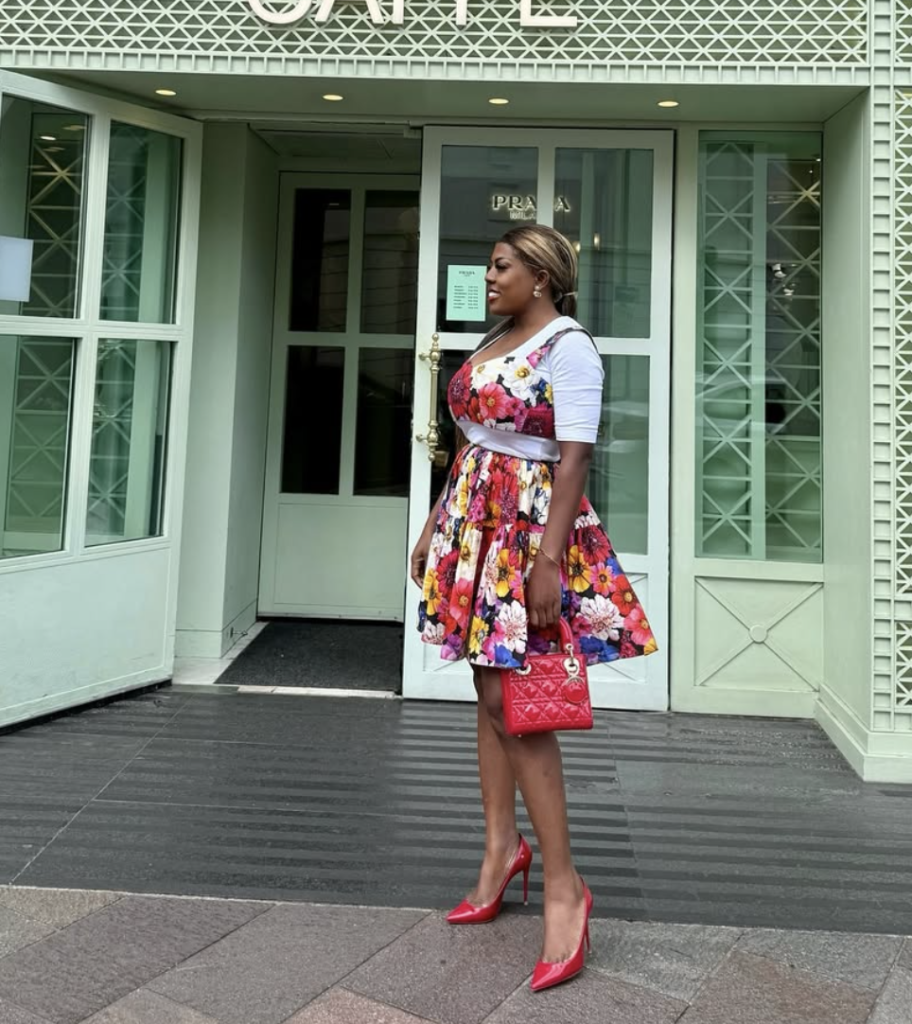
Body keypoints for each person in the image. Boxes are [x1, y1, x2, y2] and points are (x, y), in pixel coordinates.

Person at [410, 224, 657, 992]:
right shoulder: (497, 340)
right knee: (487, 692)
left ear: (541, 274)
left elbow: (575, 456)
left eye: (501, 265)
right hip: (472, 524)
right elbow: (470, 442)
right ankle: (498, 848)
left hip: (525, 532)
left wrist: (549, 561)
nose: (489, 277)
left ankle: (564, 884)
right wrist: (432, 523)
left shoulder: (568, 346)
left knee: (519, 703)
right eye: (490, 266)